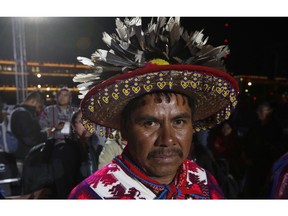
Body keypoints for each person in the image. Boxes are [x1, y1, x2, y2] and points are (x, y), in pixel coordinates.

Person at [68, 17, 239, 199]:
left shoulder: (204, 181)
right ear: (124, 130)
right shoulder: (92, 196)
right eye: (150, 123)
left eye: (179, 121)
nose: (167, 139)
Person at [241, 101, 285, 198]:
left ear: (269, 111)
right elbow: (247, 141)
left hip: (265, 166)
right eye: (258, 110)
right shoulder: (255, 126)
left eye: (261, 110)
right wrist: (245, 155)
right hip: (252, 165)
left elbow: (274, 149)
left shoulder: (274, 128)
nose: (258, 113)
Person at [10, 91, 53, 173]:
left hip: (23, 158)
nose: (40, 109)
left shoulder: (18, 111)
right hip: (25, 159)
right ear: (33, 101)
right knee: (29, 185)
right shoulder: (22, 114)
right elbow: (31, 139)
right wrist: (46, 133)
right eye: (40, 106)